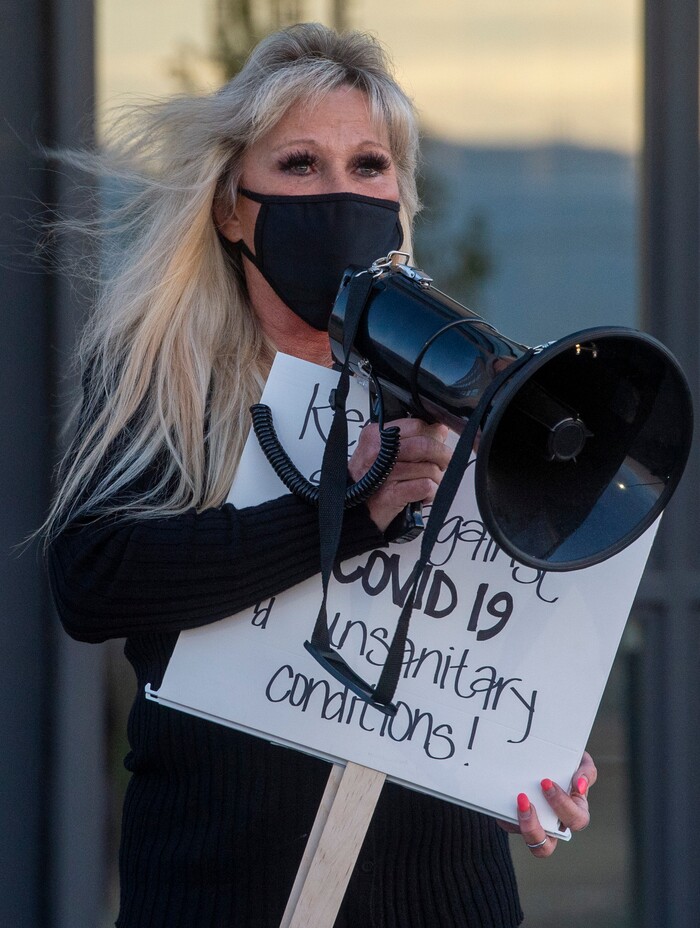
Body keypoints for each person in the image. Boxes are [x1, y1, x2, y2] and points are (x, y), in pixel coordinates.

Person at [45, 22, 596, 928]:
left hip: (444, 900)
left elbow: (510, 638)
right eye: (300, 164)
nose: (339, 192)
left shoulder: (465, 386)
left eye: (368, 165)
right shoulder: (162, 377)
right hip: (215, 892)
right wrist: (350, 510)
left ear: (399, 199)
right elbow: (94, 581)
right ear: (231, 206)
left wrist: (538, 749)